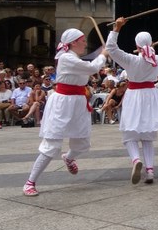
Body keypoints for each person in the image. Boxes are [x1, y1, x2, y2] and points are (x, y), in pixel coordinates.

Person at [22, 29, 109, 196]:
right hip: (63, 103)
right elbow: (91, 67)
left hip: (78, 101)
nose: (85, 43)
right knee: (52, 145)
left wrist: (110, 40)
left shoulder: (73, 57)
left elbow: (92, 61)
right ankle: (30, 182)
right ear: (74, 42)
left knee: (82, 142)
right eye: (82, 40)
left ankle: (68, 157)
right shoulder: (66, 58)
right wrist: (103, 54)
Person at [106, 17, 158, 184]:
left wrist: (116, 28)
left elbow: (111, 48)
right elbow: (149, 58)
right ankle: (150, 170)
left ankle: (136, 159)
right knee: (147, 135)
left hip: (134, 94)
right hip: (150, 94)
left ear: (137, 45)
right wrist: (145, 50)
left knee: (129, 133)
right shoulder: (157, 60)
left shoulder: (131, 59)